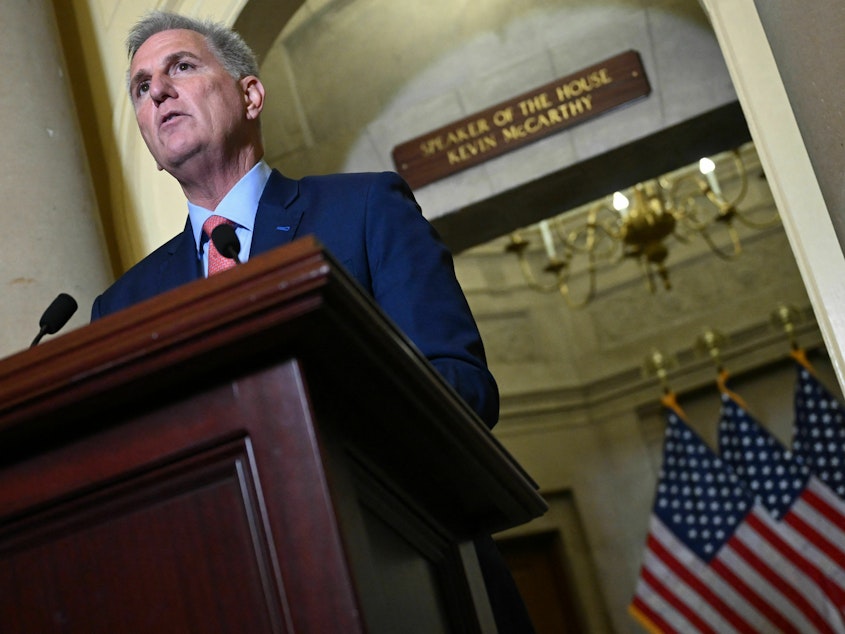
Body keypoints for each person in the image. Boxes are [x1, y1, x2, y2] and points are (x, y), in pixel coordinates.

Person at [92, 11, 534, 632]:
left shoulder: (364, 210)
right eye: (141, 87)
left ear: (251, 94)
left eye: (181, 67)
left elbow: (461, 386)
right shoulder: (124, 306)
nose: (157, 90)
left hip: (406, 575)